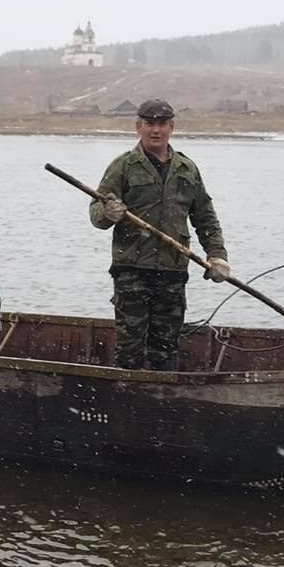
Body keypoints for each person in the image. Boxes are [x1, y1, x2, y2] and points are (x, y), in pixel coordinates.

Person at [89, 99, 229, 371]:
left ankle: (160, 395)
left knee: (165, 351)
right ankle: (126, 393)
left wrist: (217, 256)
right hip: (131, 271)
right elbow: (96, 214)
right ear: (138, 126)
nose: (156, 130)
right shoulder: (123, 166)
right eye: (149, 124)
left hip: (172, 272)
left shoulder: (187, 169)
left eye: (162, 124)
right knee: (129, 350)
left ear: (171, 127)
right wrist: (108, 212)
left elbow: (205, 218)